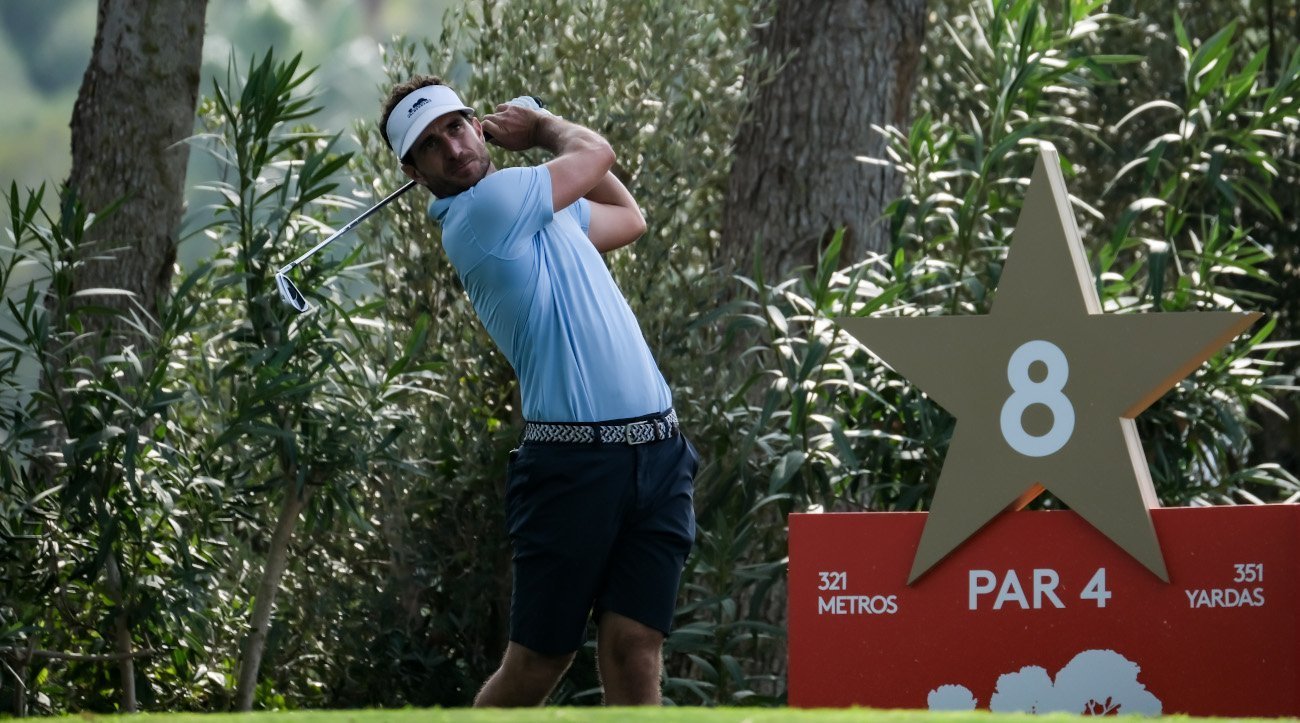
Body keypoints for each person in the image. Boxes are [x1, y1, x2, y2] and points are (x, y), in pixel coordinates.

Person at [378, 76, 698, 707]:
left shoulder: (536, 207)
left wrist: (542, 134)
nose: (453, 148)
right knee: (536, 665)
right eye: (430, 145)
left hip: (658, 452)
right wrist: (542, 127)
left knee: (636, 647)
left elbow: (629, 219)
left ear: (477, 125)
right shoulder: (485, 212)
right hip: (574, 466)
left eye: (456, 126)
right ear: (415, 174)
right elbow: (597, 154)